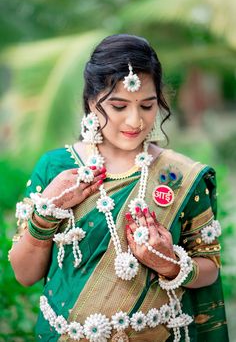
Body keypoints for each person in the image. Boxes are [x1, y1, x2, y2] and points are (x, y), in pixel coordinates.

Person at [9, 34, 229, 342]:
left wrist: (170, 264)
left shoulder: (180, 177)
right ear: (91, 101)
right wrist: (46, 211)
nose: (135, 120)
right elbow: (25, 274)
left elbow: (210, 267)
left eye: (147, 105)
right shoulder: (57, 168)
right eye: (118, 105)